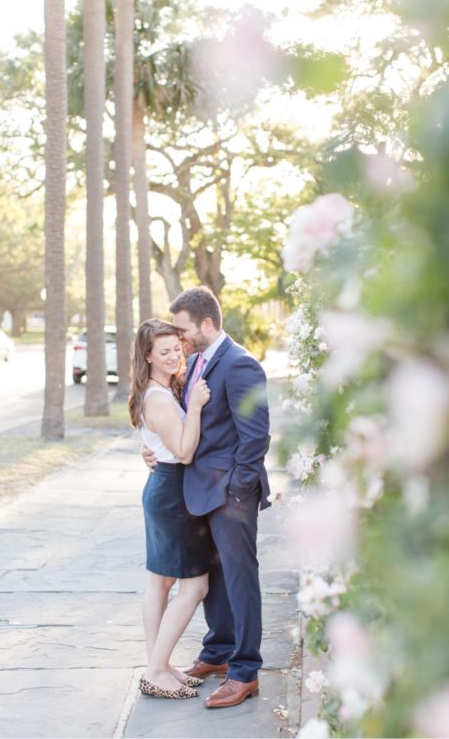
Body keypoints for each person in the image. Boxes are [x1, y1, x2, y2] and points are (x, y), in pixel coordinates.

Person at [142, 286, 272, 709]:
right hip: (196, 492)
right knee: (212, 578)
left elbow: (255, 438)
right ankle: (218, 653)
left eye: (182, 329)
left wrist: (238, 491)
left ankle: (245, 671)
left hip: (230, 495)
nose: (179, 338)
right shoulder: (197, 360)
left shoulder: (240, 364)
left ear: (207, 324)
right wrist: (155, 449)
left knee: (239, 577)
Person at [128, 319, 212, 700]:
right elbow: (184, 451)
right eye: (163, 352)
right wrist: (194, 407)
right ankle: (156, 669)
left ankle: (158, 666)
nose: (173, 356)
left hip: (165, 486)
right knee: (194, 586)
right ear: (147, 356)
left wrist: (150, 448)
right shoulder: (159, 396)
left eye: (176, 349)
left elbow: (161, 444)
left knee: (160, 582)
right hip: (172, 491)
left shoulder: (159, 389)